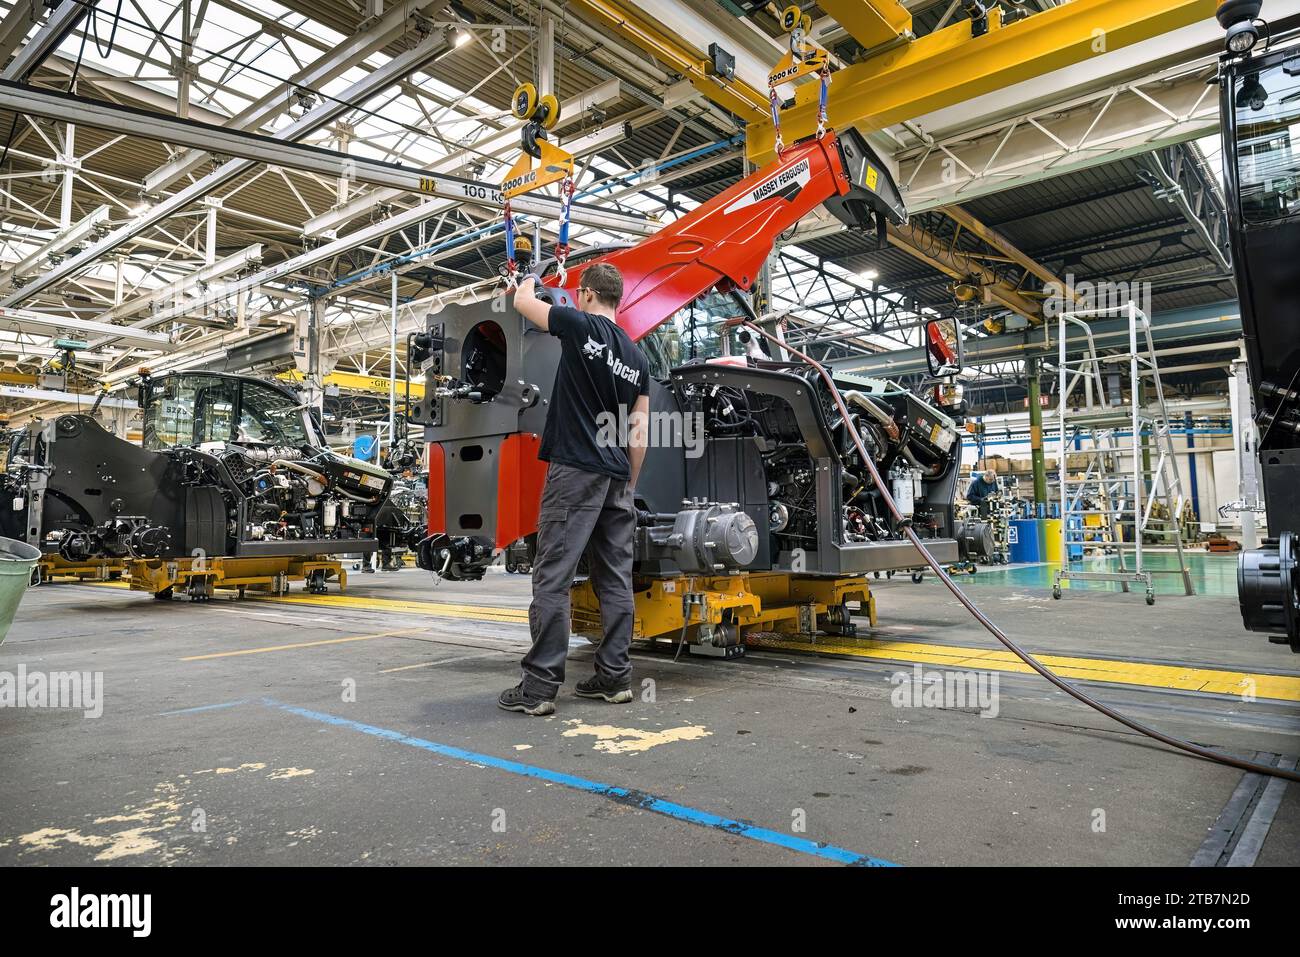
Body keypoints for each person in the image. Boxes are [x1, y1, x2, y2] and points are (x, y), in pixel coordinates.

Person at [497, 263, 651, 717]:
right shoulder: (638, 358)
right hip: (616, 476)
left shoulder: (578, 324)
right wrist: (628, 481)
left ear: (584, 295)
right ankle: (614, 678)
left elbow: (524, 304)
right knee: (615, 579)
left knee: (553, 576)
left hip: (575, 471)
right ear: (617, 299)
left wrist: (529, 278)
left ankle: (540, 687)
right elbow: (638, 431)